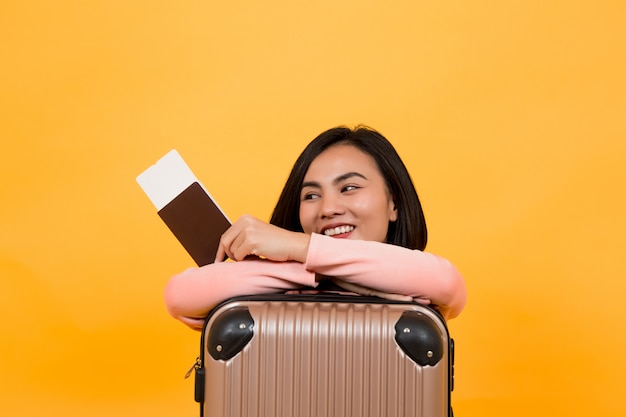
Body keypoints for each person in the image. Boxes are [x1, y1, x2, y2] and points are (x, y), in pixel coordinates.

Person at [164, 126, 467, 330]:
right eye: (311, 195)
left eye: (348, 187)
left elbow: (448, 282)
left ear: (394, 204)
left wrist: (300, 247)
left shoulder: (419, 278)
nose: (328, 208)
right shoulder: (283, 284)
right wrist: (317, 270)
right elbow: (180, 294)